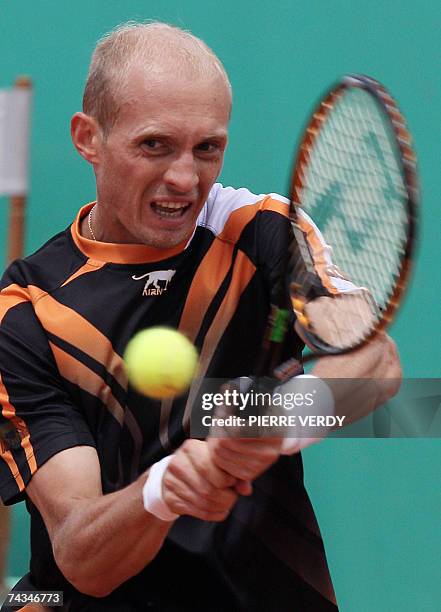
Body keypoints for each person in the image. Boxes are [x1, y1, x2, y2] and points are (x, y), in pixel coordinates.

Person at [0, 22, 401, 611]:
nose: (185, 179)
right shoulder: (26, 313)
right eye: (154, 145)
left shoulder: (259, 230)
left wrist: (272, 419)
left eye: (207, 148)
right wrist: (163, 490)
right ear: (88, 138)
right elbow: (82, 557)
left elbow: (376, 362)